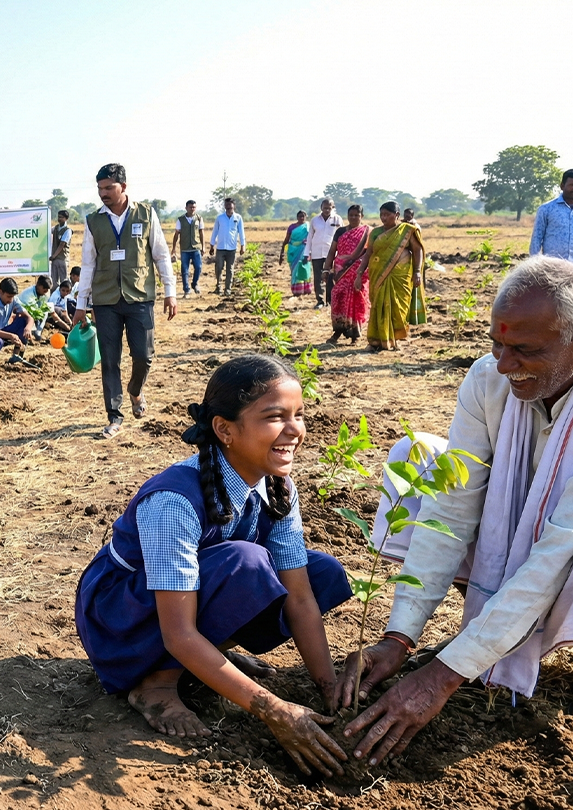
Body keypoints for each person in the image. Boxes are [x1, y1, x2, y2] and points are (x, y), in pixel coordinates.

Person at [334, 258, 573, 768]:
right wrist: (399, 637)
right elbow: (454, 507)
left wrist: (442, 676)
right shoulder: (490, 382)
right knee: (415, 460)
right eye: (497, 344)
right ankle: (488, 624)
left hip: (565, 554)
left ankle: (499, 640)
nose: (505, 364)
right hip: (526, 537)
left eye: (525, 350)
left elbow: (554, 556)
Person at [74, 355, 352, 776]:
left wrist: (329, 688)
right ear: (225, 429)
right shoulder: (175, 500)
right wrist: (273, 710)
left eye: (298, 415)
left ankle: (207, 660)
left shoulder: (278, 486)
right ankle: (156, 683)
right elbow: (179, 631)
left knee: (321, 574)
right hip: (123, 619)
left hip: (182, 603)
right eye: (275, 417)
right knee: (247, 561)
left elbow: (298, 595)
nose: (294, 430)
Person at [71, 163, 178, 439]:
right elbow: (88, 264)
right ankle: (114, 416)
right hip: (105, 300)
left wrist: (170, 291)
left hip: (139, 295)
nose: (103, 193)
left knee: (144, 355)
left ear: (124, 187)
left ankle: (135, 391)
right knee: (109, 359)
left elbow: (161, 254)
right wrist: (82, 305)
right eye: (100, 189)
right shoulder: (93, 220)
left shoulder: (146, 214)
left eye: (108, 188)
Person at [362, 201, 426, 351]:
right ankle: (375, 341)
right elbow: (368, 254)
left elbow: (418, 250)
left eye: (387, 214)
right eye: (381, 214)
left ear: (397, 215)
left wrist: (417, 271)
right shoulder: (376, 233)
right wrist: (360, 273)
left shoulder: (408, 230)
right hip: (378, 274)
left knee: (398, 307)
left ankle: (394, 339)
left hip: (401, 276)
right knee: (378, 306)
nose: (383, 218)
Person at [325, 205, 371, 345]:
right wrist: (326, 269)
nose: (353, 218)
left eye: (356, 215)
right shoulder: (340, 232)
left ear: (361, 216)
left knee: (355, 300)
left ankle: (355, 335)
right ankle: (338, 330)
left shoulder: (367, 232)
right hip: (340, 270)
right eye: (351, 215)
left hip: (358, 271)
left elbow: (369, 253)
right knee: (338, 297)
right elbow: (332, 252)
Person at [306, 199, 343, 308]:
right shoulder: (314, 220)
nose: (327, 210)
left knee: (331, 277)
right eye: (325, 207)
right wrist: (307, 252)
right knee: (318, 278)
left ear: (333, 207)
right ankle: (320, 301)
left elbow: (342, 236)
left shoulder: (338, 219)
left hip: (332, 253)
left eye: (329, 208)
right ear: (321, 207)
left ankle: (330, 301)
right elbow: (309, 237)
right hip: (317, 252)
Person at [530, 168, 573, 262]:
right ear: (562, 186)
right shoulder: (546, 209)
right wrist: (533, 265)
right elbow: (536, 239)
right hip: (553, 269)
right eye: (571, 185)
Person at [209, 197, 246, 296]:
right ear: (225, 206)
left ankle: (228, 289)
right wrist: (212, 245)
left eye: (230, 205)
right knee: (219, 267)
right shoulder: (220, 218)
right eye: (227, 205)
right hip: (220, 247)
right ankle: (218, 286)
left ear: (234, 206)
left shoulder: (238, 218)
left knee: (230, 269)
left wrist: (243, 245)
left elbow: (241, 232)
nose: (229, 207)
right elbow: (215, 232)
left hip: (232, 248)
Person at [169, 201, 204, 296]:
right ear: (186, 208)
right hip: (185, 249)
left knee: (198, 267)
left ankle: (195, 283)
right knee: (185, 270)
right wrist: (174, 248)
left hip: (196, 247)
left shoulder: (199, 219)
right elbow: (176, 234)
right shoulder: (180, 220)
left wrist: (203, 247)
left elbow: (201, 233)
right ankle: (186, 290)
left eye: (194, 207)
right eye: (190, 207)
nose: (192, 209)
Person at [279, 211, 314, 298]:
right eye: (300, 216)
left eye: (303, 216)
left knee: (304, 268)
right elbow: (287, 239)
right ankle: (297, 290)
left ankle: (306, 289)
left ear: (306, 217)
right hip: (293, 251)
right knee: (294, 270)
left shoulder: (308, 226)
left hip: (304, 250)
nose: (301, 218)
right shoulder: (292, 227)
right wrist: (282, 252)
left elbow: (312, 238)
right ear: (297, 217)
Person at [50, 209, 73, 286]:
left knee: (63, 281)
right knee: (54, 281)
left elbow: (62, 244)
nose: (59, 219)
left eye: (61, 217)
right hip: (55, 259)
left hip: (62, 259)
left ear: (66, 218)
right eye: (58, 217)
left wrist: (53, 255)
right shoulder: (56, 228)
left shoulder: (67, 230)